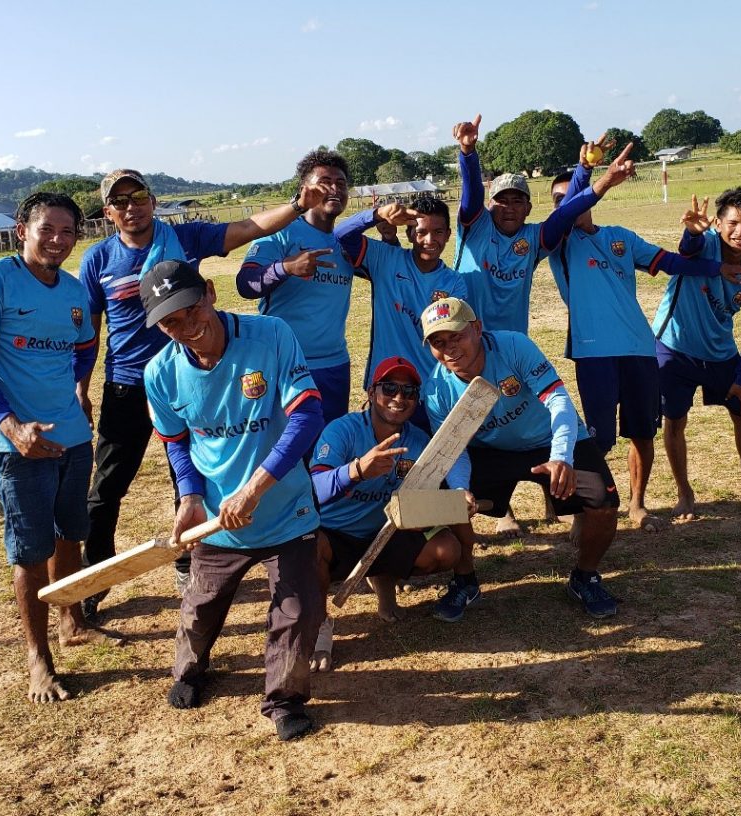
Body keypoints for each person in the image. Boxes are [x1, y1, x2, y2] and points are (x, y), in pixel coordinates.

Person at [78, 169, 323, 621]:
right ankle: (95, 577)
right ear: (109, 212)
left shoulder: (185, 238)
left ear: (152, 201)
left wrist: (297, 203)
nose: (132, 206)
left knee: (188, 480)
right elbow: (89, 330)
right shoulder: (98, 259)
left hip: (198, 379)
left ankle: (190, 563)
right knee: (106, 488)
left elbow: (250, 227)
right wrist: (82, 385)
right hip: (128, 384)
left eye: (139, 196)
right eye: (120, 201)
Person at [140, 259, 325, 742]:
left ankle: (284, 699)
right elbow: (176, 440)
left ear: (210, 293)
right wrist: (190, 495)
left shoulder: (272, 335)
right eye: (170, 322)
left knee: (299, 609)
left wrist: (256, 487)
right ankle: (189, 670)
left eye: (190, 308)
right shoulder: (160, 373)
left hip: (284, 507)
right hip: (220, 519)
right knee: (201, 606)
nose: (186, 327)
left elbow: (307, 416)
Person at [0, 191, 121, 704]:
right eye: (47, 229)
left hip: (72, 437)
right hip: (18, 446)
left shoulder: (73, 292)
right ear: (21, 230)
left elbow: (85, 345)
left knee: (71, 531)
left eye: (68, 232)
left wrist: (78, 390)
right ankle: (38, 657)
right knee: (30, 551)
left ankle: (72, 620)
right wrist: (9, 426)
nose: (57, 240)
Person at [549, 146, 741, 531]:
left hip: (640, 349)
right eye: (560, 200)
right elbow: (570, 206)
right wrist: (587, 170)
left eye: (573, 196)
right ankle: (583, 511)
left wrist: (718, 267)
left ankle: (637, 504)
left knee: (643, 432)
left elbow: (669, 262)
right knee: (596, 439)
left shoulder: (620, 238)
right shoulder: (557, 242)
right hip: (594, 354)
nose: (569, 204)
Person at [451, 117, 636, 536]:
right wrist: (467, 153)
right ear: (491, 204)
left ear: (529, 208)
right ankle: (504, 514)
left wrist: (591, 175)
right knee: (481, 427)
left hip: (513, 349)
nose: (510, 206)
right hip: (467, 347)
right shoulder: (474, 226)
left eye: (518, 200)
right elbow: (471, 194)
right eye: (503, 200)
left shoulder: (534, 238)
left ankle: (556, 501)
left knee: (528, 422)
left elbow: (569, 211)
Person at [421, 297, 622, 622]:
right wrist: (460, 489)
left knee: (603, 503)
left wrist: (561, 456)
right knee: (450, 501)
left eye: (456, 336)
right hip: (491, 449)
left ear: (476, 328)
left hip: (548, 439)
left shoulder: (514, 347)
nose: (449, 349)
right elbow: (453, 449)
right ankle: (465, 580)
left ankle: (585, 577)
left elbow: (558, 399)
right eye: (438, 342)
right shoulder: (436, 390)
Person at [309, 357, 464, 668]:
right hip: (334, 534)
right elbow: (314, 489)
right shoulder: (342, 431)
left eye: (408, 392)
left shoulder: (419, 443)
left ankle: (383, 580)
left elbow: (428, 501)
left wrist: (458, 504)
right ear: (370, 392)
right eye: (389, 388)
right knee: (305, 551)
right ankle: (318, 626)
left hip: (385, 533)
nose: (398, 398)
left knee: (447, 550)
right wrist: (356, 471)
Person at [650, 188, 741, 521]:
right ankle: (685, 494)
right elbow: (686, 249)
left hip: (720, 352)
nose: (740, 231)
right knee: (674, 420)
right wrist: (692, 232)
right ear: (719, 223)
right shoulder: (703, 244)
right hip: (672, 348)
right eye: (733, 222)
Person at [237, 150, 355, 424]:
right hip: (287, 364)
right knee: (289, 453)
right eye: (325, 182)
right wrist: (286, 268)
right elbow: (246, 284)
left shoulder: (346, 243)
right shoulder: (281, 232)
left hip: (335, 364)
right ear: (305, 190)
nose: (335, 189)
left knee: (329, 451)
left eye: (341, 183)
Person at [332, 194, 469, 430]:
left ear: (448, 234)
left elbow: (452, 341)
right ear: (408, 233)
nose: (429, 239)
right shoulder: (385, 259)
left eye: (438, 232)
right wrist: (376, 215)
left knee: (427, 461)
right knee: (386, 458)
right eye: (421, 231)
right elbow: (340, 235)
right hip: (386, 386)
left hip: (432, 391)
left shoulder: (454, 283)